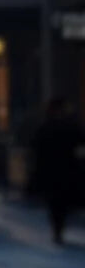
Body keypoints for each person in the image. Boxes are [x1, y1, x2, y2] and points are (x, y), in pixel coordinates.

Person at [33, 98, 83, 245]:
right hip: (64, 169)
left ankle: (57, 229)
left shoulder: (46, 126)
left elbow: (37, 149)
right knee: (60, 202)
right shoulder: (68, 125)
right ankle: (58, 229)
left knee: (56, 202)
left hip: (54, 170)